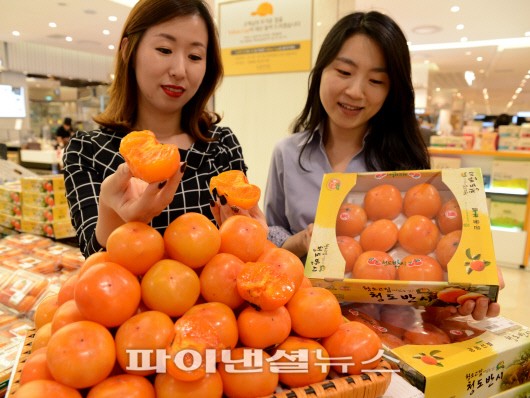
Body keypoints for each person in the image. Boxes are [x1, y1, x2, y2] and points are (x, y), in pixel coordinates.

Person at [264, 11, 502, 320]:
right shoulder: (287, 153)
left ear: (392, 91)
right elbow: (270, 238)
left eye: (376, 80)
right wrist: (299, 242)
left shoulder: (404, 164)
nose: (355, 91)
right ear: (321, 70)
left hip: (389, 324)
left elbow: (431, 255)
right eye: (344, 71)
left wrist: (469, 283)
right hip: (307, 319)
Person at [63, 0, 258, 259]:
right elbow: (95, 257)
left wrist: (252, 236)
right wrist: (118, 216)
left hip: (215, 299)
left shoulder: (221, 145)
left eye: (195, 56)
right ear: (127, 50)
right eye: (165, 49)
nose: (179, 70)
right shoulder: (87, 151)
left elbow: (241, 245)